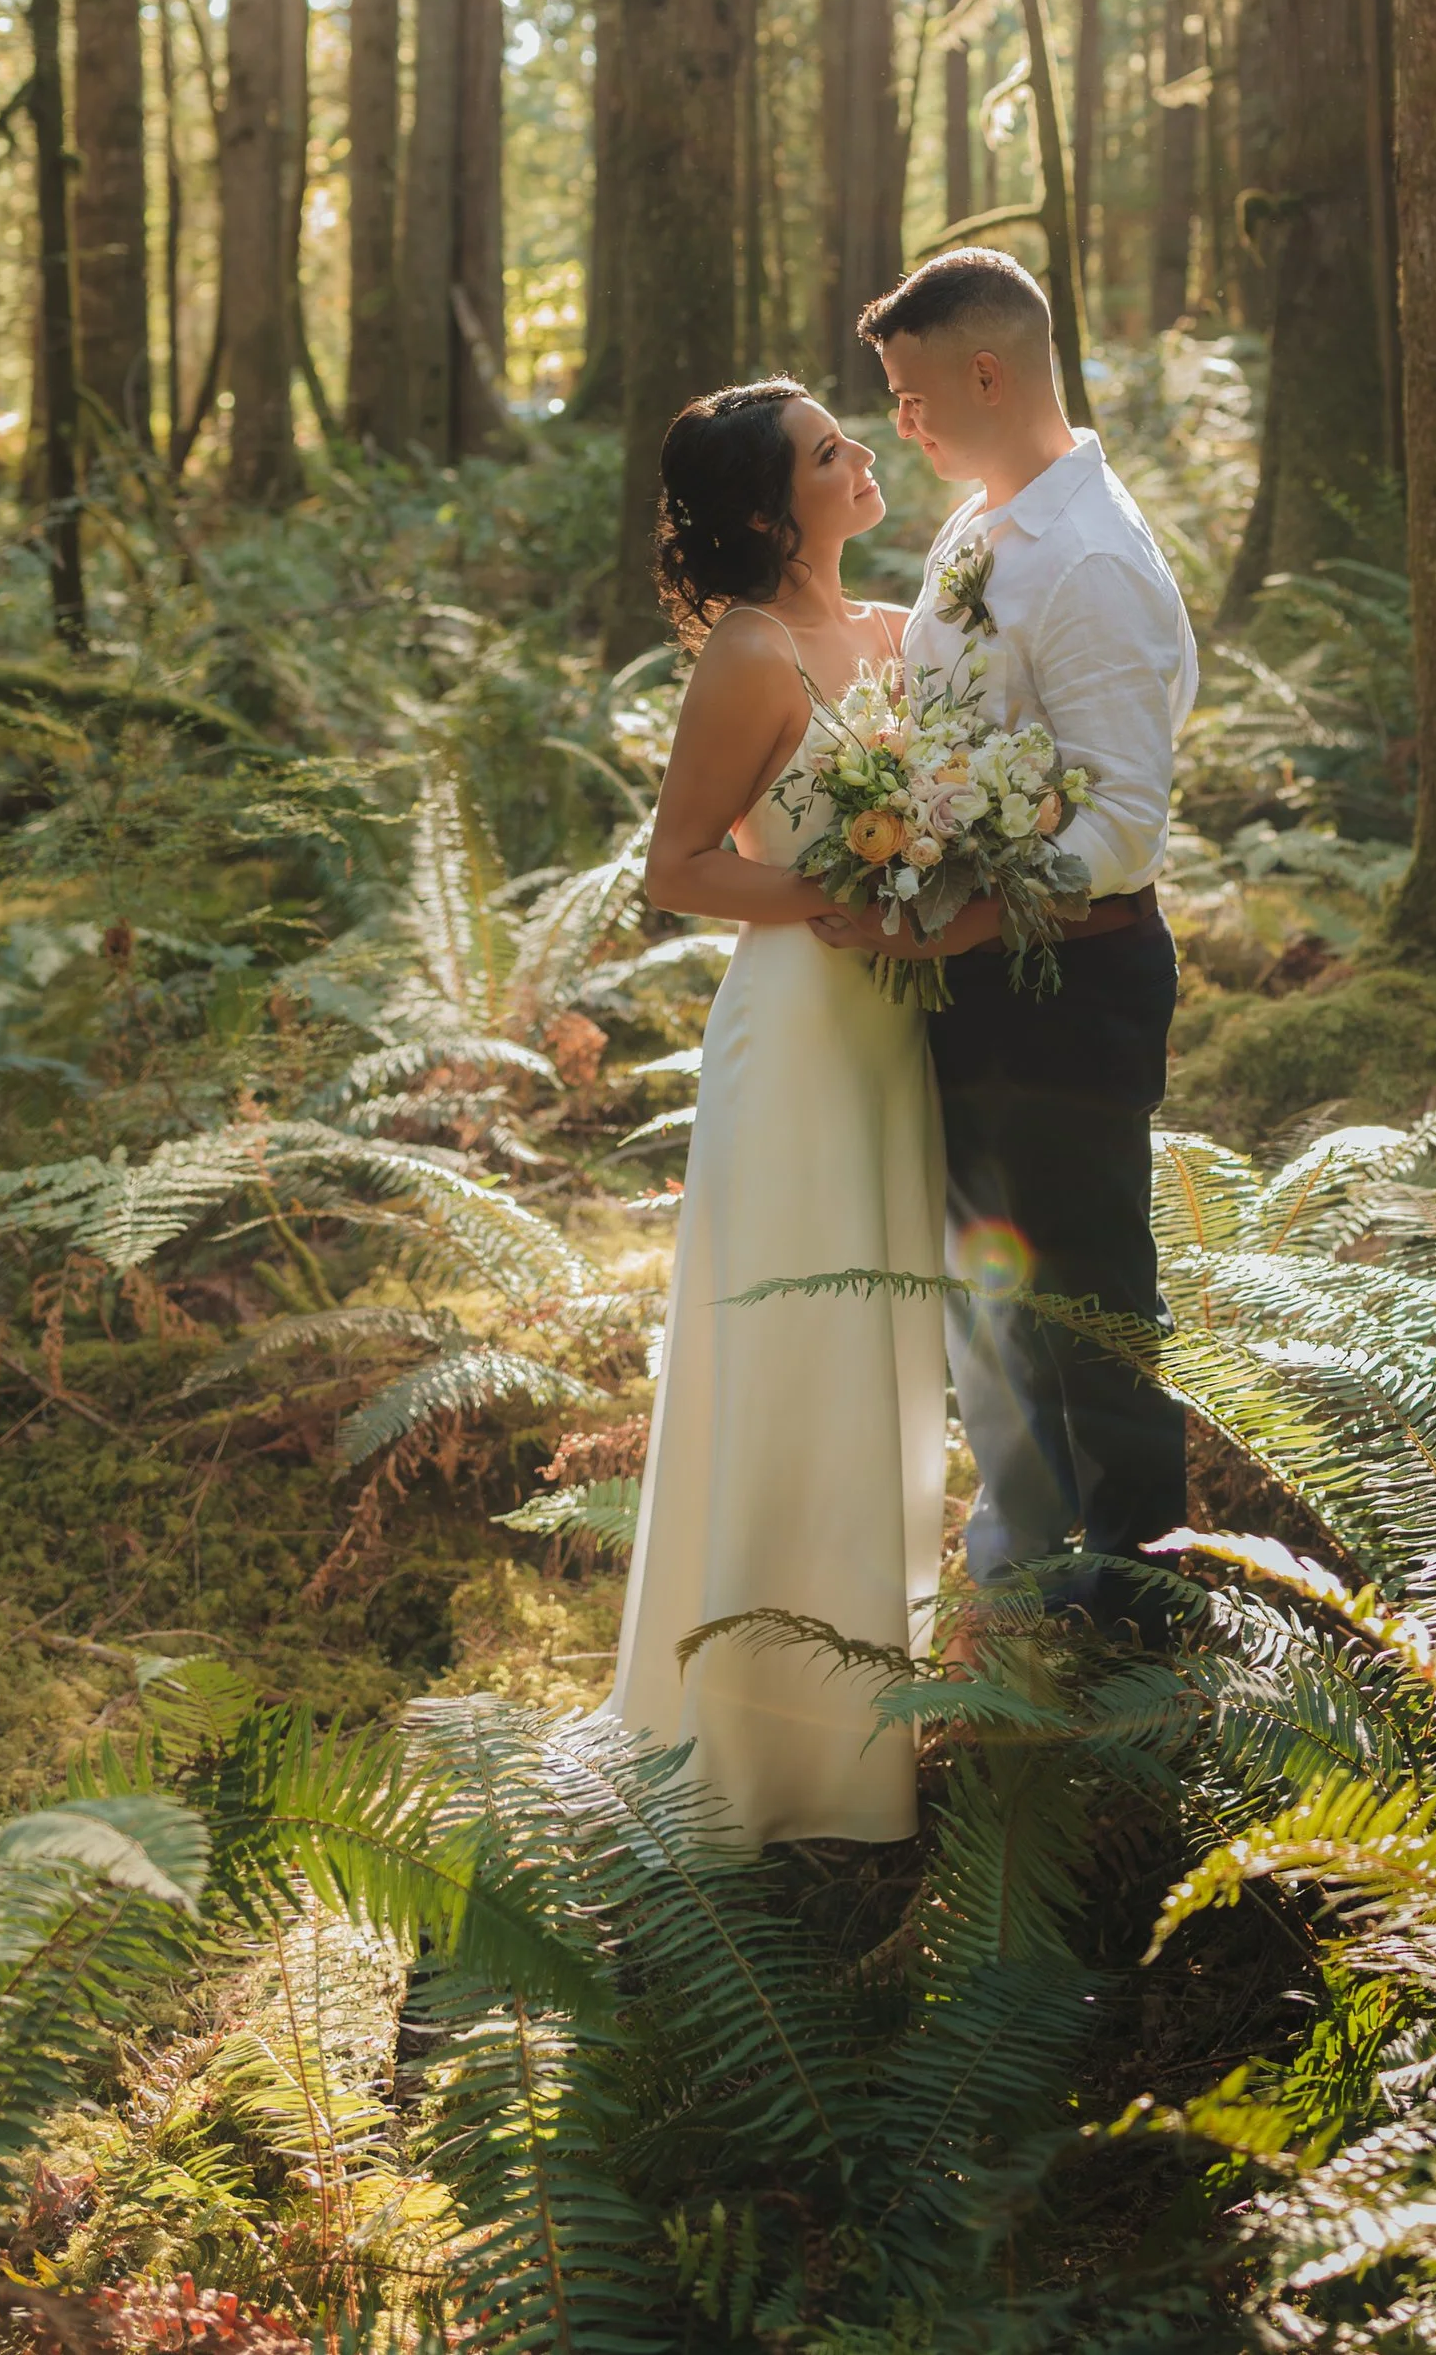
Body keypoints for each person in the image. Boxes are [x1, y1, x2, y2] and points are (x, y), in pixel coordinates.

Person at [602, 377, 947, 1846]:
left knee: (882, 1360)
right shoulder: (749, 657)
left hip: (899, 1045)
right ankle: (753, 1755)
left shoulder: (896, 634)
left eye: (847, 435)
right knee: (792, 1361)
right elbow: (674, 870)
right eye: (824, 451)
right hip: (797, 1041)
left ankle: (873, 1712)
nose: (859, 452)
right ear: (765, 508)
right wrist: (840, 893)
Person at [837, 246, 1199, 1632]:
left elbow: (1119, 827)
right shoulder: (982, 527)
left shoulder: (1091, 560)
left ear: (986, 372)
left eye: (914, 394)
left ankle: (1136, 1629)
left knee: (1090, 1316)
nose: (903, 424)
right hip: (979, 978)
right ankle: (1024, 1587)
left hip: (1069, 984)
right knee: (993, 1306)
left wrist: (958, 916)